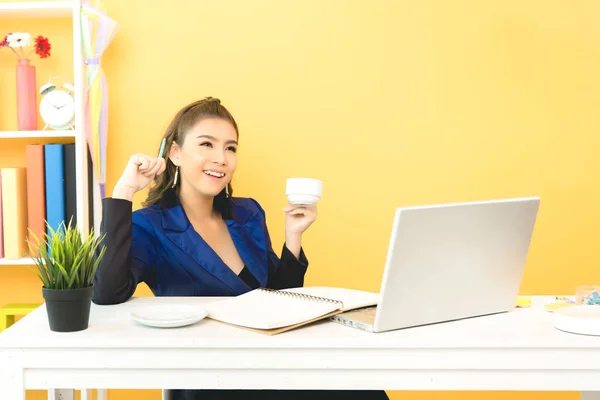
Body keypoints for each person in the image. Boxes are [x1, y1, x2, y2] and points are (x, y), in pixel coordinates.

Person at [92, 97, 389, 400]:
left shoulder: (247, 213)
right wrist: (123, 193)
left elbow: (281, 298)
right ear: (175, 153)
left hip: (272, 364)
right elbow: (107, 293)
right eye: (207, 144)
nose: (221, 158)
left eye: (230, 148)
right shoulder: (149, 226)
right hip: (211, 377)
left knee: (363, 386)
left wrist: (293, 238)